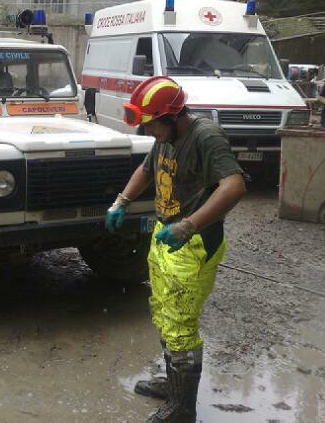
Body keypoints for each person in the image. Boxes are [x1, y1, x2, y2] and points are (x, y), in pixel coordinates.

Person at [105, 76, 246, 422]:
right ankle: (174, 385)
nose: (149, 131)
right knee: (164, 312)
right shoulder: (166, 137)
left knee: (180, 321)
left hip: (194, 242)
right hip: (164, 234)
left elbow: (234, 185)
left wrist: (188, 225)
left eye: (151, 124)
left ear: (172, 115)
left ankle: (183, 409)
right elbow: (147, 169)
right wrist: (121, 201)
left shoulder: (205, 136)